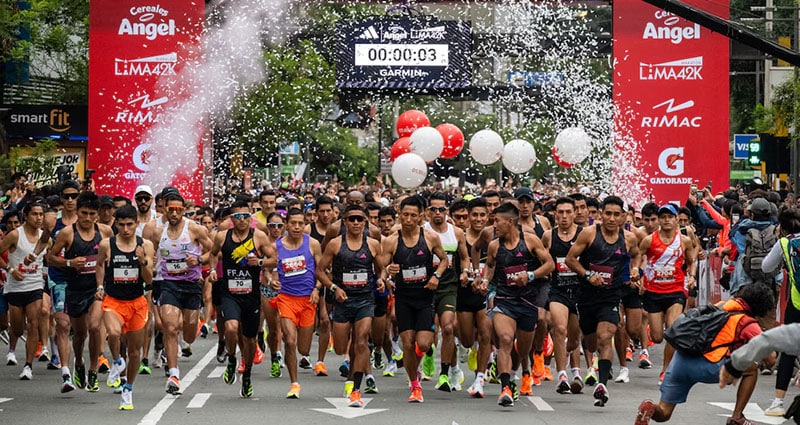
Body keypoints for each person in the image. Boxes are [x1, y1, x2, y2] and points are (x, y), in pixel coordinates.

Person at [635, 283, 775, 425]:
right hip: (708, 365)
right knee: (751, 369)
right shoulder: (748, 323)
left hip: (680, 360)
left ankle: (650, 408)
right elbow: (771, 359)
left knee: (664, 412)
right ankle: (737, 417)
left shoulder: (721, 305)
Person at [566, 195, 641, 407]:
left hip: (611, 295)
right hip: (587, 296)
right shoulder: (589, 234)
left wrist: (635, 269)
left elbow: (636, 255)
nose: (611, 218)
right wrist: (588, 275)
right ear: (600, 214)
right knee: (591, 342)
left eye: (616, 214)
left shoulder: (629, 238)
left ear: (623, 216)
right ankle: (593, 360)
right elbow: (570, 259)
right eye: (608, 213)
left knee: (605, 337)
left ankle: (602, 385)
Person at [478, 202, 555, 407]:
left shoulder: (530, 241)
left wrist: (530, 275)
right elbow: (490, 266)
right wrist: (485, 280)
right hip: (505, 299)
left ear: (510, 222)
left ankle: (514, 373)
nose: (494, 226)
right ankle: (505, 388)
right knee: (505, 339)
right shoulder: (495, 246)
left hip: (528, 301)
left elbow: (550, 264)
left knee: (522, 349)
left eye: (497, 221)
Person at [378, 195, 449, 403]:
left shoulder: (430, 238)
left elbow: (444, 260)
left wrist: (436, 276)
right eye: (405, 215)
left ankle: (416, 362)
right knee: (407, 343)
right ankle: (415, 384)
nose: (408, 219)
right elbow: (382, 267)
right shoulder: (392, 240)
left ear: (421, 216)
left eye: (413, 215)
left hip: (425, 296)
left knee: (423, 344)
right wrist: (388, 273)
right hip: (404, 297)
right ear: (399, 215)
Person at [316, 205, 386, 407]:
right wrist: (334, 287)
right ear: (345, 222)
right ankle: (351, 374)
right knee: (340, 348)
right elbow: (320, 270)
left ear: (365, 222)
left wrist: (381, 279)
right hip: (343, 300)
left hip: (365, 299)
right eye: (352, 219)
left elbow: (381, 269)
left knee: (361, 341)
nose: (356, 223)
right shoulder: (335, 244)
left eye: (359, 219)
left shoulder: (372, 244)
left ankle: (356, 389)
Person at [143, 192, 212, 395]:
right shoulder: (157, 232)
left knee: (189, 336)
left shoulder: (195, 229)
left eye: (178, 209)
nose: (174, 213)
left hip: (191, 285)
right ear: (164, 209)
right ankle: (173, 374)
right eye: (170, 209)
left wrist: (199, 260)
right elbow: (150, 253)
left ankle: (193, 328)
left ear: (183, 210)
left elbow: (214, 251)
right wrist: (150, 262)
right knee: (170, 328)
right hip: (169, 284)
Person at [46, 192, 114, 392]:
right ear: (77, 212)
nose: (87, 218)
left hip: (95, 288)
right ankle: (78, 362)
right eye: (84, 213)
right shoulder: (67, 233)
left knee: (94, 327)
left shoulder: (105, 232)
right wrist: (70, 262)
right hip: (73, 287)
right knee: (78, 333)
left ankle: (93, 370)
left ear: (97, 214)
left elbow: (113, 253)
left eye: (92, 214)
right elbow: (50, 258)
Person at [208, 200, 275, 399]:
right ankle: (231, 358)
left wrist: (260, 262)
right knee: (231, 328)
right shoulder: (222, 236)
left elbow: (274, 259)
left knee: (250, 338)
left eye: (246, 216)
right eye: (238, 217)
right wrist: (212, 270)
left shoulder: (259, 236)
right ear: (232, 219)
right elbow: (213, 254)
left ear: (250, 216)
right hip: (229, 292)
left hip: (251, 295)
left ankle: (247, 375)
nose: (242, 220)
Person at [95, 205, 155, 410]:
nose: (126, 229)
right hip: (113, 300)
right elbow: (100, 265)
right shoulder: (107, 244)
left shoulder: (145, 245)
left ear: (137, 223)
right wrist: (100, 286)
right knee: (113, 333)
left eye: (130, 224)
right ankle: (117, 360)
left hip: (137, 302)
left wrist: (143, 261)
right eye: (121, 225)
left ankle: (128, 388)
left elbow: (149, 280)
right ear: (116, 224)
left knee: (135, 352)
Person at [639, 204, 697, 385]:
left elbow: (691, 261)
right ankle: (656, 332)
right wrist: (637, 273)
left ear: (676, 219)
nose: (666, 220)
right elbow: (638, 258)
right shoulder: (649, 240)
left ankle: (666, 371)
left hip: (675, 291)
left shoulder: (684, 240)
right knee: (657, 337)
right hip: (654, 292)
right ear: (659, 220)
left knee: (672, 330)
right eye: (663, 217)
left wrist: (692, 276)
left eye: (670, 217)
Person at [752, 206, 800, 416]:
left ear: (782, 227)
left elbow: (766, 267)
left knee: (789, 352)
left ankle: (778, 403)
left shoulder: (784, 243)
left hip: (796, 304)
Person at [271, 208, 322, 399]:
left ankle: (302, 357)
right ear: (286, 224)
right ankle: (294, 383)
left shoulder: (313, 244)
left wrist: (317, 289)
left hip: (307, 299)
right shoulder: (276, 246)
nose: (297, 227)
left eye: (301, 223)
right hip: (286, 298)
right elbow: (268, 270)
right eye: (293, 223)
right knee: (290, 341)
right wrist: (271, 280)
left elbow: (322, 270)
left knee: (303, 348)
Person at [424, 192, 470, 391]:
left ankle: (445, 373)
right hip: (425, 287)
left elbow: (465, 257)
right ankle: (426, 356)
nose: (437, 213)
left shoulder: (456, 233)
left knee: (449, 328)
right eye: (433, 209)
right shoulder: (422, 231)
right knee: (426, 335)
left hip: (448, 287)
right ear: (428, 211)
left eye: (441, 209)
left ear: (447, 211)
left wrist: (465, 271)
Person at [542, 197, 584, 394]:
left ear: (575, 213)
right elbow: (543, 260)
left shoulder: (584, 234)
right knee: (559, 329)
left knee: (574, 339)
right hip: (558, 290)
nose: (564, 216)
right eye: (560, 212)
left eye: (568, 212)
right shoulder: (548, 236)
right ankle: (562, 376)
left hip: (580, 291)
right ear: (555, 214)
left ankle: (569, 357)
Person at [0, 201, 47, 381]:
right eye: (34, 214)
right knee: (18, 329)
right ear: (26, 216)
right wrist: (10, 270)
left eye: (41, 214)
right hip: (15, 288)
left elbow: (51, 255)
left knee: (34, 323)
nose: (38, 218)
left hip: (35, 286)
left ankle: (28, 366)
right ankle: (15, 343)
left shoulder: (45, 238)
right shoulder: (15, 235)